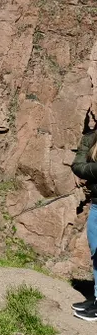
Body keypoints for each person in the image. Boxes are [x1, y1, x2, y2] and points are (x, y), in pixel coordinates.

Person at [72, 128, 97, 320]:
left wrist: (88, 171)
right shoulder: (92, 136)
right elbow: (77, 166)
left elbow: (82, 167)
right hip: (96, 205)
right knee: (96, 252)